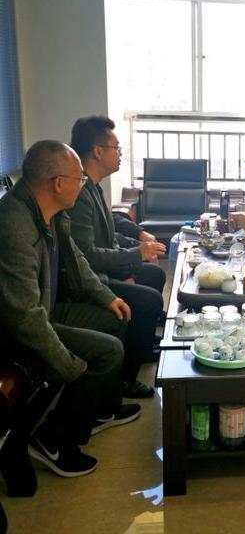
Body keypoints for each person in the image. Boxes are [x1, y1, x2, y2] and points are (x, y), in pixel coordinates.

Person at [0, 141, 140, 478]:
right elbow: (24, 318)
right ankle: (52, 439)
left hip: (45, 309)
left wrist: (107, 297)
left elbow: (78, 261)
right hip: (15, 330)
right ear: (59, 184)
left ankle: (100, 409)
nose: (84, 184)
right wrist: (70, 365)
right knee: (107, 351)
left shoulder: (52, 213)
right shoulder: (14, 225)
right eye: (79, 179)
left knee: (117, 316)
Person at [68, 116, 166, 399]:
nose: (120, 154)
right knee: (148, 300)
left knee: (155, 274)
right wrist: (135, 256)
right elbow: (87, 256)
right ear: (98, 151)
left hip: (103, 266)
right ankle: (124, 379)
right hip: (90, 279)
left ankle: (142, 344)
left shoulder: (93, 186)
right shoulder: (80, 193)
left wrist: (140, 243)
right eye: (117, 148)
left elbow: (109, 232)